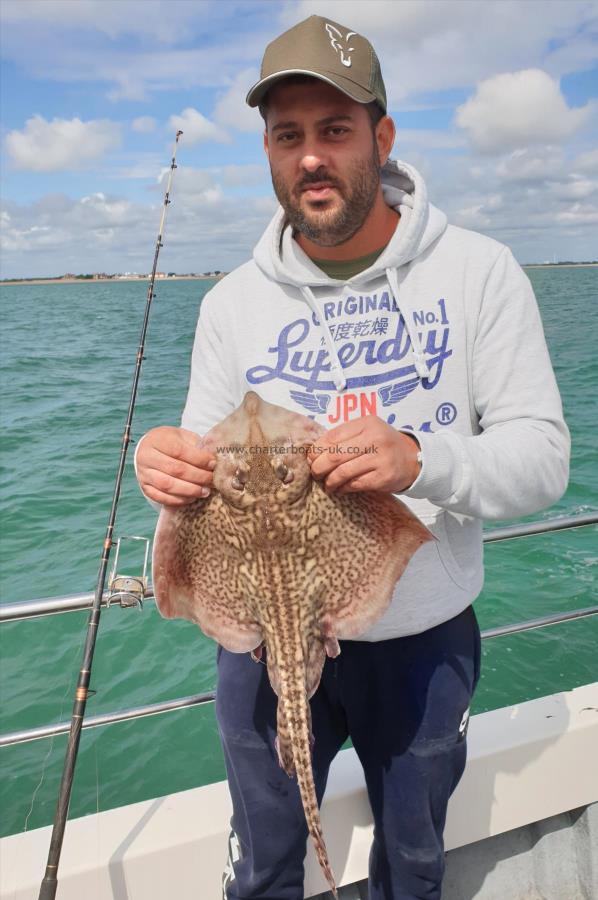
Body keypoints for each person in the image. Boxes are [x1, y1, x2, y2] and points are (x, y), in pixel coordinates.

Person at [135, 14, 570, 900]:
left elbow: (544, 460)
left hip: (420, 646)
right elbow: (195, 490)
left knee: (411, 869)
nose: (310, 158)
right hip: (261, 650)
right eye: (287, 135)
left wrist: (420, 459)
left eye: (334, 130)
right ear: (265, 148)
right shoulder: (229, 308)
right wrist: (163, 473)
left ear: (382, 135)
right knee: (261, 871)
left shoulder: (480, 273)